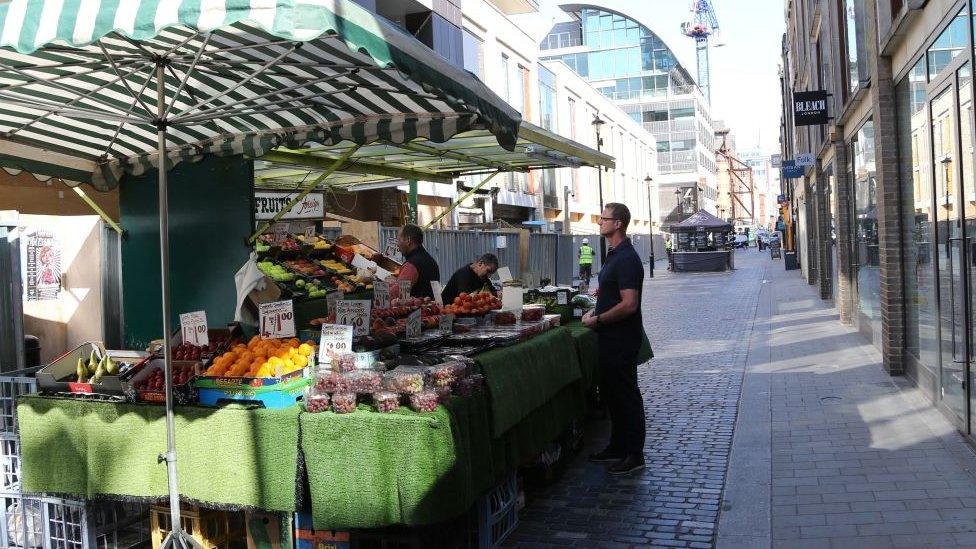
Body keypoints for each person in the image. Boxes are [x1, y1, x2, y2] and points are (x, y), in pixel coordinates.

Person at [582, 203, 649, 475]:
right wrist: (596, 307)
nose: (599, 222)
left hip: (621, 339)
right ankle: (618, 446)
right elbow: (611, 293)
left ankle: (634, 454)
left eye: (604, 218)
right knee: (613, 395)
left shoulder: (627, 258)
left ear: (618, 223)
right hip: (609, 338)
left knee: (626, 396)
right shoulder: (613, 255)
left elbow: (629, 304)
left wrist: (597, 320)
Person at [396, 223, 440, 300]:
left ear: (408, 240)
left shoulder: (411, 265)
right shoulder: (430, 260)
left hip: (417, 311)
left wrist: (389, 283)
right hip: (431, 309)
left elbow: (397, 293)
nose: (398, 244)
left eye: (399, 240)